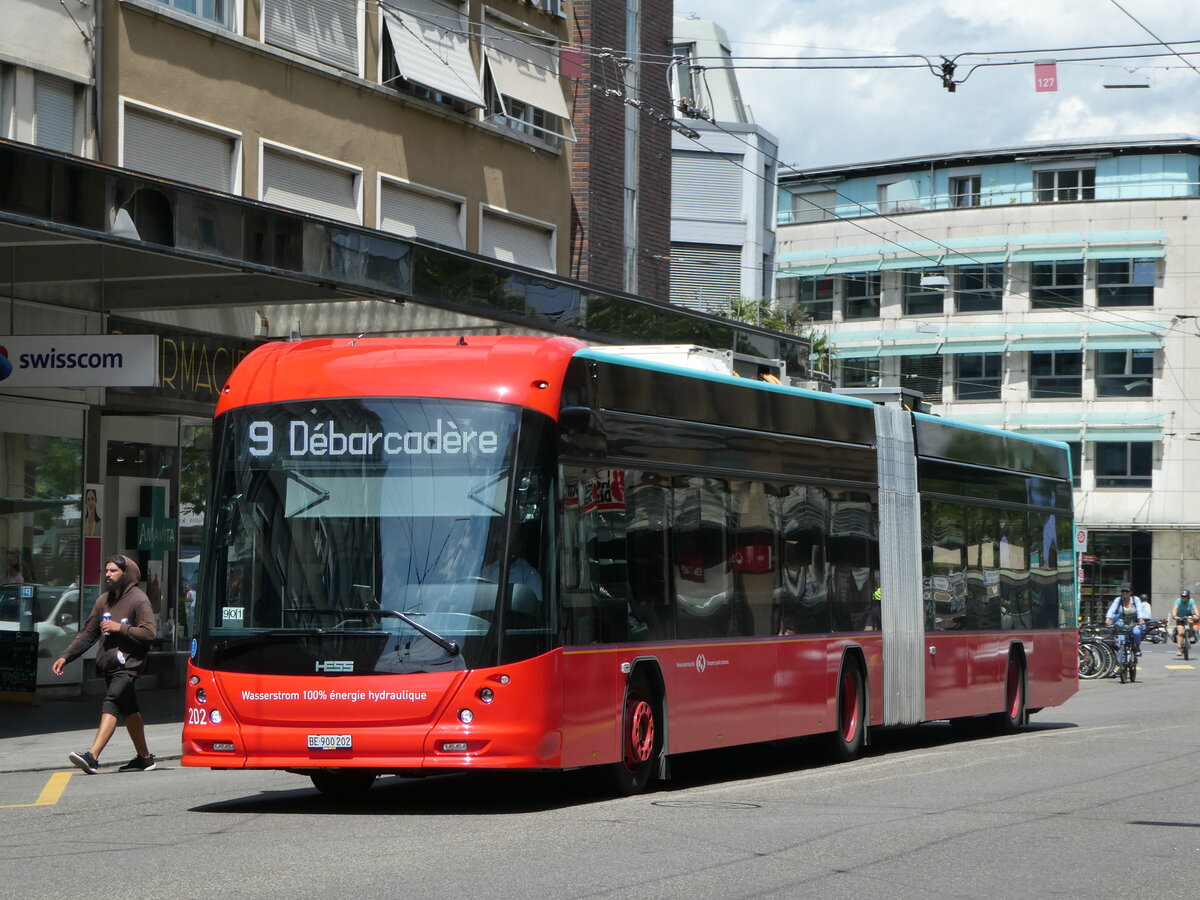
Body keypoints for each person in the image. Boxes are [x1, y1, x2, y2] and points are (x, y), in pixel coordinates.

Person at [52, 555, 157, 774]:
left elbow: (149, 633)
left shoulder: (138, 600)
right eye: (106, 571)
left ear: (126, 574)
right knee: (130, 710)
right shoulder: (103, 601)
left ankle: (92, 756)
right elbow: (88, 634)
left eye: (113, 571)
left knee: (112, 703)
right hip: (109, 666)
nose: (108, 575)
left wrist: (120, 628)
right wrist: (66, 656)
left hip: (128, 666)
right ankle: (145, 758)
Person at [1105, 587, 1145, 654]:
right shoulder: (1118, 600)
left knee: (1136, 632)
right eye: (1123, 591)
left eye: (1126, 591)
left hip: (1133, 622)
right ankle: (1121, 653)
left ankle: (1137, 647)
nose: (1124, 593)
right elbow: (1112, 609)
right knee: (1121, 638)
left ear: (1130, 592)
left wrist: (1141, 619)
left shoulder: (1136, 599)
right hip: (1122, 622)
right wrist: (1108, 618)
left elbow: (1139, 610)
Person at [1171, 588, 1198, 658]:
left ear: (1188, 596)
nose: (1183, 597)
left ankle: (1191, 634)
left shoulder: (1191, 601)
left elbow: (1195, 609)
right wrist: (1174, 615)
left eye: (1185, 596)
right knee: (1180, 632)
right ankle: (1179, 649)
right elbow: (1175, 609)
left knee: (1190, 621)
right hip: (1180, 617)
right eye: (1182, 596)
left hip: (1188, 615)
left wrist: (1197, 615)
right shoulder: (1178, 601)